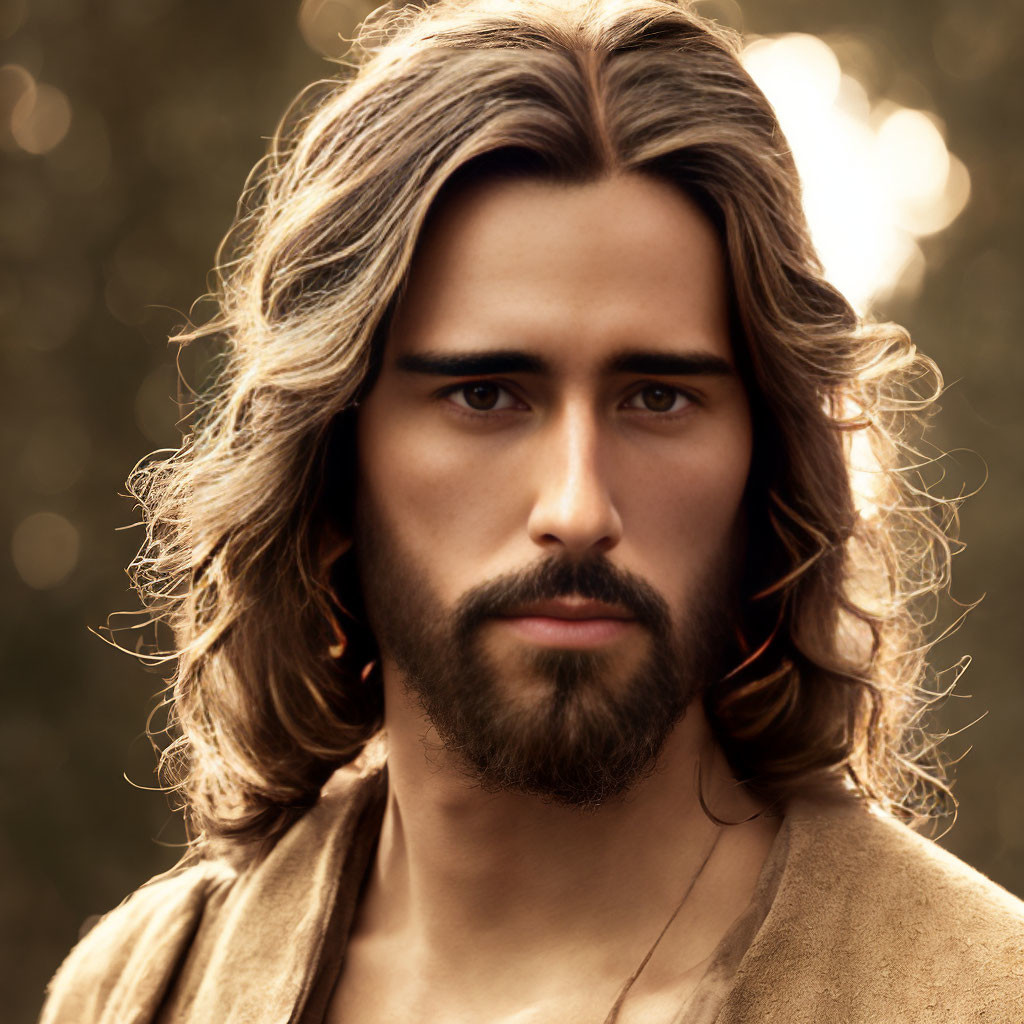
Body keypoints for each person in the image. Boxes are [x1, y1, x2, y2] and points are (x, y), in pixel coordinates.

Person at [40, 0, 1023, 1021]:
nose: (576, 506)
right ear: (330, 461)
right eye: (484, 395)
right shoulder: (142, 991)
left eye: (658, 397)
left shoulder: (975, 994)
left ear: (766, 464)